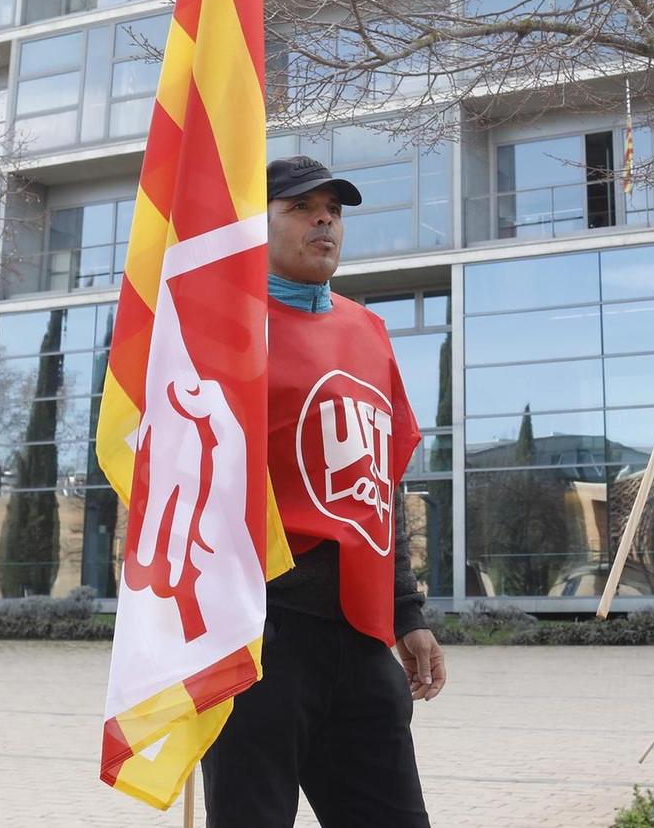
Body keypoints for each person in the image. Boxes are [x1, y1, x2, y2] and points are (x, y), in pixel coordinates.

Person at [200, 155, 447, 827]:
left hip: (363, 642)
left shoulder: (367, 330)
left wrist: (407, 615)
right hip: (263, 641)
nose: (324, 222)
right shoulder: (220, 331)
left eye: (334, 211)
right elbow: (181, 482)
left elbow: (378, 491)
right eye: (302, 208)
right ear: (259, 226)